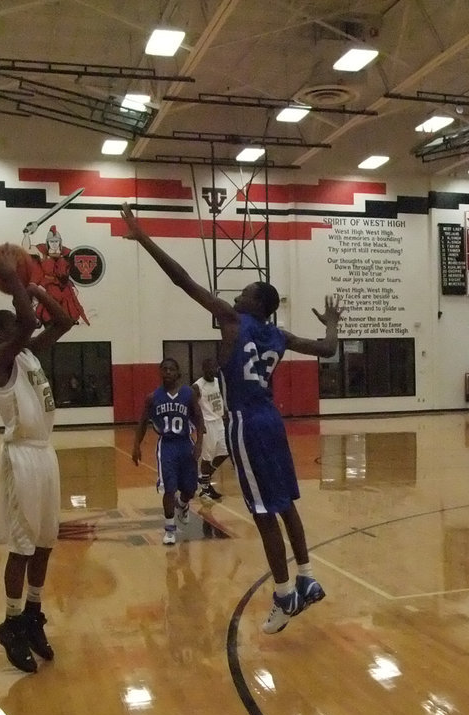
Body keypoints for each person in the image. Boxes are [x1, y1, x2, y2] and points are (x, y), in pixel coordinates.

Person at [120, 202, 342, 634]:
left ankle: (283, 595)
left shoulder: (234, 321)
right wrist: (332, 323)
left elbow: (182, 281)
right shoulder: (280, 334)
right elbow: (328, 349)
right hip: (273, 421)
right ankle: (307, 576)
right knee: (286, 505)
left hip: (246, 422)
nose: (236, 295)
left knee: (262, 511)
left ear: (255, 304)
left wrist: (145, 238)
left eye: (244, 293)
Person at [0, 257, 75, 673]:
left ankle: (33, 615)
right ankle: (11, 621)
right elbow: (27, 321)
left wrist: (38, 290)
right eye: (15, 325)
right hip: (20, 455)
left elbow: (63, 322)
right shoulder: (0, 361)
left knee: (45, 541)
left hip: (45, 452)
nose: (28, 325)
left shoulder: (30, 357)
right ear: (1, 334)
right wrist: (17, 280)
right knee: (21, 545)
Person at [132, 358, 204, 545]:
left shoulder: (188, 394)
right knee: (169, 488)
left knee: (190, 489)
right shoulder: (153, 398)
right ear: (160, 372)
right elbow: (142, 423)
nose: (168, 372)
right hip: (167, 446)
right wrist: (136, 445)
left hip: (186, 443)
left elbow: (198, 418)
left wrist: (199, 444)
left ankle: (183, 504)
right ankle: (170, 529)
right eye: (164, 369)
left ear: (178, 373)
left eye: (171, 369)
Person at [192, 357, 229, 500]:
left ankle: (205, 478)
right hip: (207, 424)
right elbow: (193, 407)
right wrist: (198, 425)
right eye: (209, 368)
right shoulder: (197, 386)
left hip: (219, 422)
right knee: (207, 458)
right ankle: (205, 489)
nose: (211, 370)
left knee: (225, 452)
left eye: (214, 368)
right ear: (203, 369)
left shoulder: (219, 382)